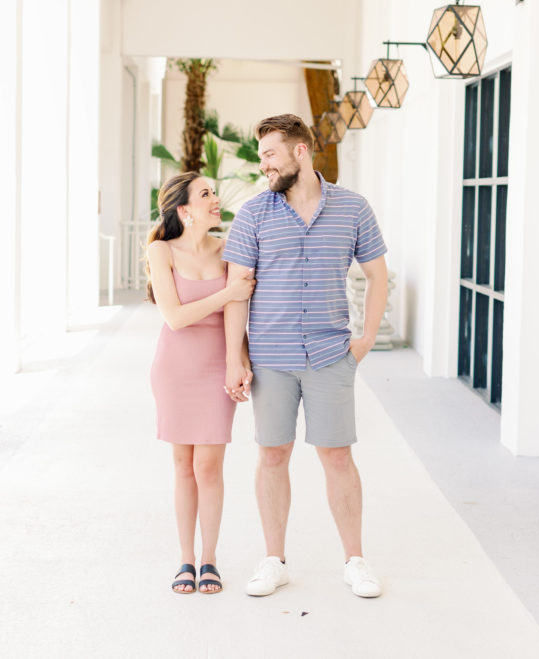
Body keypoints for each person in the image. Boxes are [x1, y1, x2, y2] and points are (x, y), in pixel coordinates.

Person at [222, 114, 389, 598]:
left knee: (337, 456)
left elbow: (378, 275)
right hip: (271, 357)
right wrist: (237, 358)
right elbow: (237, 292)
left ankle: (355, 561)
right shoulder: (254, 214)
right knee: (272, 454)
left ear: (299, 152)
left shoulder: (353, 208)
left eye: (270, 154)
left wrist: (366, 338)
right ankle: (274, 560)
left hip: (330, 355)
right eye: (260, 158)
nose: (263, 166)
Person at [146, 172, 255, 594]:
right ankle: (185, 559)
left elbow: (236, 317)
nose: (215, 198)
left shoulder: (229, 249)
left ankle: (209, 558)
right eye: (205, 193)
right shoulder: (161, 250)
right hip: (174, 368)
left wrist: (238, 361)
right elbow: (174, 317)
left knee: (208, 466)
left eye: (214, 192)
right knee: (182, 465)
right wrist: (228, 293)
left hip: (216, 366)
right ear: (184, 210)